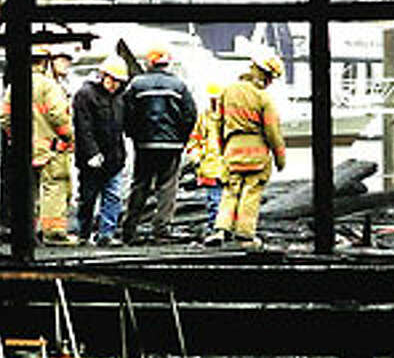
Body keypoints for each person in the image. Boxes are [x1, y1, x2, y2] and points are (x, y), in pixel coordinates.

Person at [203, 51, 287, 250]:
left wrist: (223, 150)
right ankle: (245, 235)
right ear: (265, 76)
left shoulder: (227, 91)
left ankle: (221, 229)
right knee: (251, 192)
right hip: (256, 153)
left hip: (232, 150)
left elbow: (217, 122)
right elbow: (272, 131)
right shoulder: (263, 98)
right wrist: (280, 158)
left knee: (230, 192)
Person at [0, 46, 77, 245]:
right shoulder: (49, 86)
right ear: (44, 62)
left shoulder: (14, 85)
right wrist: (68, 137)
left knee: (26, 191)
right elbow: (58, 115)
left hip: (24, 149)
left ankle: (26, 233)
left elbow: (5, 118)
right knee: (54, 187)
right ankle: (54, 233)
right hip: (51, 149)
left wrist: (14, 138)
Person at [119, 47, 196, 244]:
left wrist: (134, 135)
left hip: (144, 144)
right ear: (166, 64)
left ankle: (129, 229)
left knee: (140, 185)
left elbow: (125, 113)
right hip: (171, 145)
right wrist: (181, 139)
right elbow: (190, 115)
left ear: (148, 63)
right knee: (168, 186)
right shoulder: (179, 85)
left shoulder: (136, 84)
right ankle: (161, 229)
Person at [72, 55, 129, 246]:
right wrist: (92, 153)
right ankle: (83, 233)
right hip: (92, 160)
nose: (115, 85)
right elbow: (83, 128)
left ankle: (106, 234)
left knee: (113, 197)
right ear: (102, 75)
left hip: (114, 158)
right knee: (88, 198)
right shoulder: (86, 95)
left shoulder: (120, 97)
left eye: (119, 82)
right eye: (112, 80)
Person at [184, 82, 225, 232]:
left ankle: (222, 228)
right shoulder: (204, 117)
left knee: (226, 200)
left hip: (227, 166)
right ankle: (216, 227)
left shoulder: (230, 118)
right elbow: (195, 139)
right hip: (211, 166)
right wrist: (197, 158)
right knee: (214, 200)